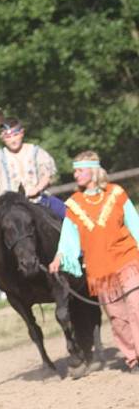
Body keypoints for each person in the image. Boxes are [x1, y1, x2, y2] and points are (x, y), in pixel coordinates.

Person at [49, 151, 139, 372]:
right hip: (101, 271)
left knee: (137, 307)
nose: (75, 174)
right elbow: (68, 236)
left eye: (80, 170)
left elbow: (134, 222)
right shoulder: (74, 204)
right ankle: (132, 357)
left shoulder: (117, 193)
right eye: (75, 170)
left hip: (127, 258)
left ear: (93, 170)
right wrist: (60, 256)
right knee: (118, 318)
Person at [0, 115, 66, 280]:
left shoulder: (36, 151)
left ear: (22, 133)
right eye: (7, 136)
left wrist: (37, 188)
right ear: (2, 138)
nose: (12, 139)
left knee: (72, 217)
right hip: (8, 207)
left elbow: (47, 174)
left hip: (36, 199)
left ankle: (87, 253)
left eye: (15, 134)